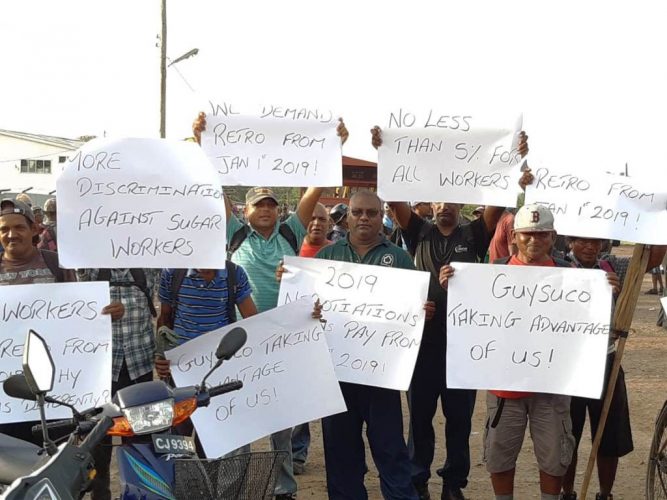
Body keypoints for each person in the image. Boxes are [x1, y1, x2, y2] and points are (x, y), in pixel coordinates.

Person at [192, 111, 348, 500]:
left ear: (280, 210)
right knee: (240, 417)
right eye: (258, 205)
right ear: (245, 211)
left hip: (281, 336)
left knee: (281, 418)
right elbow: (212, 188)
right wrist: (201, 145)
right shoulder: (235, 232)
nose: (265, 210)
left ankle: (283, 488)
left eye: (271, 205)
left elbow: (314, 191)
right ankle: (238, 487)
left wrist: (335, 147)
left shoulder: (291, 231)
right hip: (239, 341)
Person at [371, 125, 529, 500]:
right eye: (439, 200)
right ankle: (419, 478)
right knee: (420, 422)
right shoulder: (417, 232)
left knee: (459, 422)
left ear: (461, 203)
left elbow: (498, 197)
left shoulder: (474, 234)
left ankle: (453, 484)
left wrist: (513, 158)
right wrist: (384, 153)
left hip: (462, 345)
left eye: (452, 200)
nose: (445, 206)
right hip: (422, 344)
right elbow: (393, 199)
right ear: (431, 203)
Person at [439, 204, 619, 500]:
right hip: (504, 388)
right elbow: (472, 315)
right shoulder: (492, 271)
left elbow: (589, 325)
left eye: (542, 235)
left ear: (553, 237)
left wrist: (606, 292)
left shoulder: (572, 276)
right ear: (514, 237)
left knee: (554, 456)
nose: (534, 240)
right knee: (499, 455)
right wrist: (453, 286)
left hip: (551, 387)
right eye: (526, 235)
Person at [311, 190, 434, 500]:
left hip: (382, 375)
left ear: (382, 217)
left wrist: (422, 311)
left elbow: (412, 309)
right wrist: (293, 283)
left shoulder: (400, 258)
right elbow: (305, 307)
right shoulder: (326, 257)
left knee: (390, 450)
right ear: (347, 216)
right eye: (357, 212)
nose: (364, 217)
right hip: (337, 377)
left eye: (371, 212)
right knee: (341, 454)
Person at [0, 198, 123, 443]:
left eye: (19, 227)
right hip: (7, 397)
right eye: (4, 229)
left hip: (55, 391)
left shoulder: (57, 265)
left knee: (55, 458)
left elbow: (79, 315)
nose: (11, 234)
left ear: (35, 229)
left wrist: (108, 313)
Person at [560, 236, 666, 500]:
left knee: (609, 433)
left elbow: (650, 260)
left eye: (596, 242)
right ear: (571, 242)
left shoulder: (611, 266)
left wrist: (657, 224)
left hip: (606, 359)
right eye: (583, 242)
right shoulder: (558, 267)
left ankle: (605, 494)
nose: (590, 247)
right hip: (565, 363)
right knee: (565, 433)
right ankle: (567, 493)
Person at [77, 267, 160, 500]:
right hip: (100, 369)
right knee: (97, 443)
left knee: (140, 442)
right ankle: (100, 495)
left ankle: (139, 494)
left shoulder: (150, 264)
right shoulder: (88, 267)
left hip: (140, 367)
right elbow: (74, 302)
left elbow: (165, 297)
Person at [291, 202, 332, 474]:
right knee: (298, 393)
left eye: (322, 219)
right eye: (312, 218)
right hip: (296, 334)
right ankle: (295, 452)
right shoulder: (290, 251)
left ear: (329, 224)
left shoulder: (336, 254)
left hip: (332, 334)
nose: (316, 223)